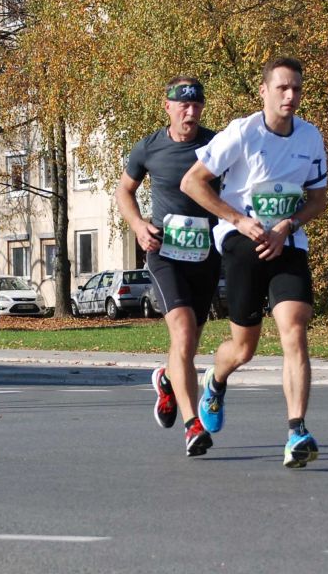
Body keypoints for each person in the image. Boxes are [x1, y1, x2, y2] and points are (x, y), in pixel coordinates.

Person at [180, 56, 328, 468]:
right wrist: (239, 220)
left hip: (288, 242)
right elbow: (191, 182)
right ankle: (216, 377)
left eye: (296, 88)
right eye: (282, 88)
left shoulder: (310, 138)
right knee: (244, 348)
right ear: (263, 91)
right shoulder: (242, 133)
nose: (290, 95)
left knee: (294, 329)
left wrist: (289, 224)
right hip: (241, 243)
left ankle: (296, 431)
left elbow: (318, 199)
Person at [114, 76, 219, 457]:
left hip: (206, 254)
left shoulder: (214, 144)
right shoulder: (149, 147)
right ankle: (193, 426)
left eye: (196, 106)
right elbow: (123, 191)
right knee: (184, 330)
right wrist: (139, 226)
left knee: (187, 345)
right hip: (164, 252)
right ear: (168, 107)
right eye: (183, 106)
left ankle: (167, 381)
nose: (190, 112)